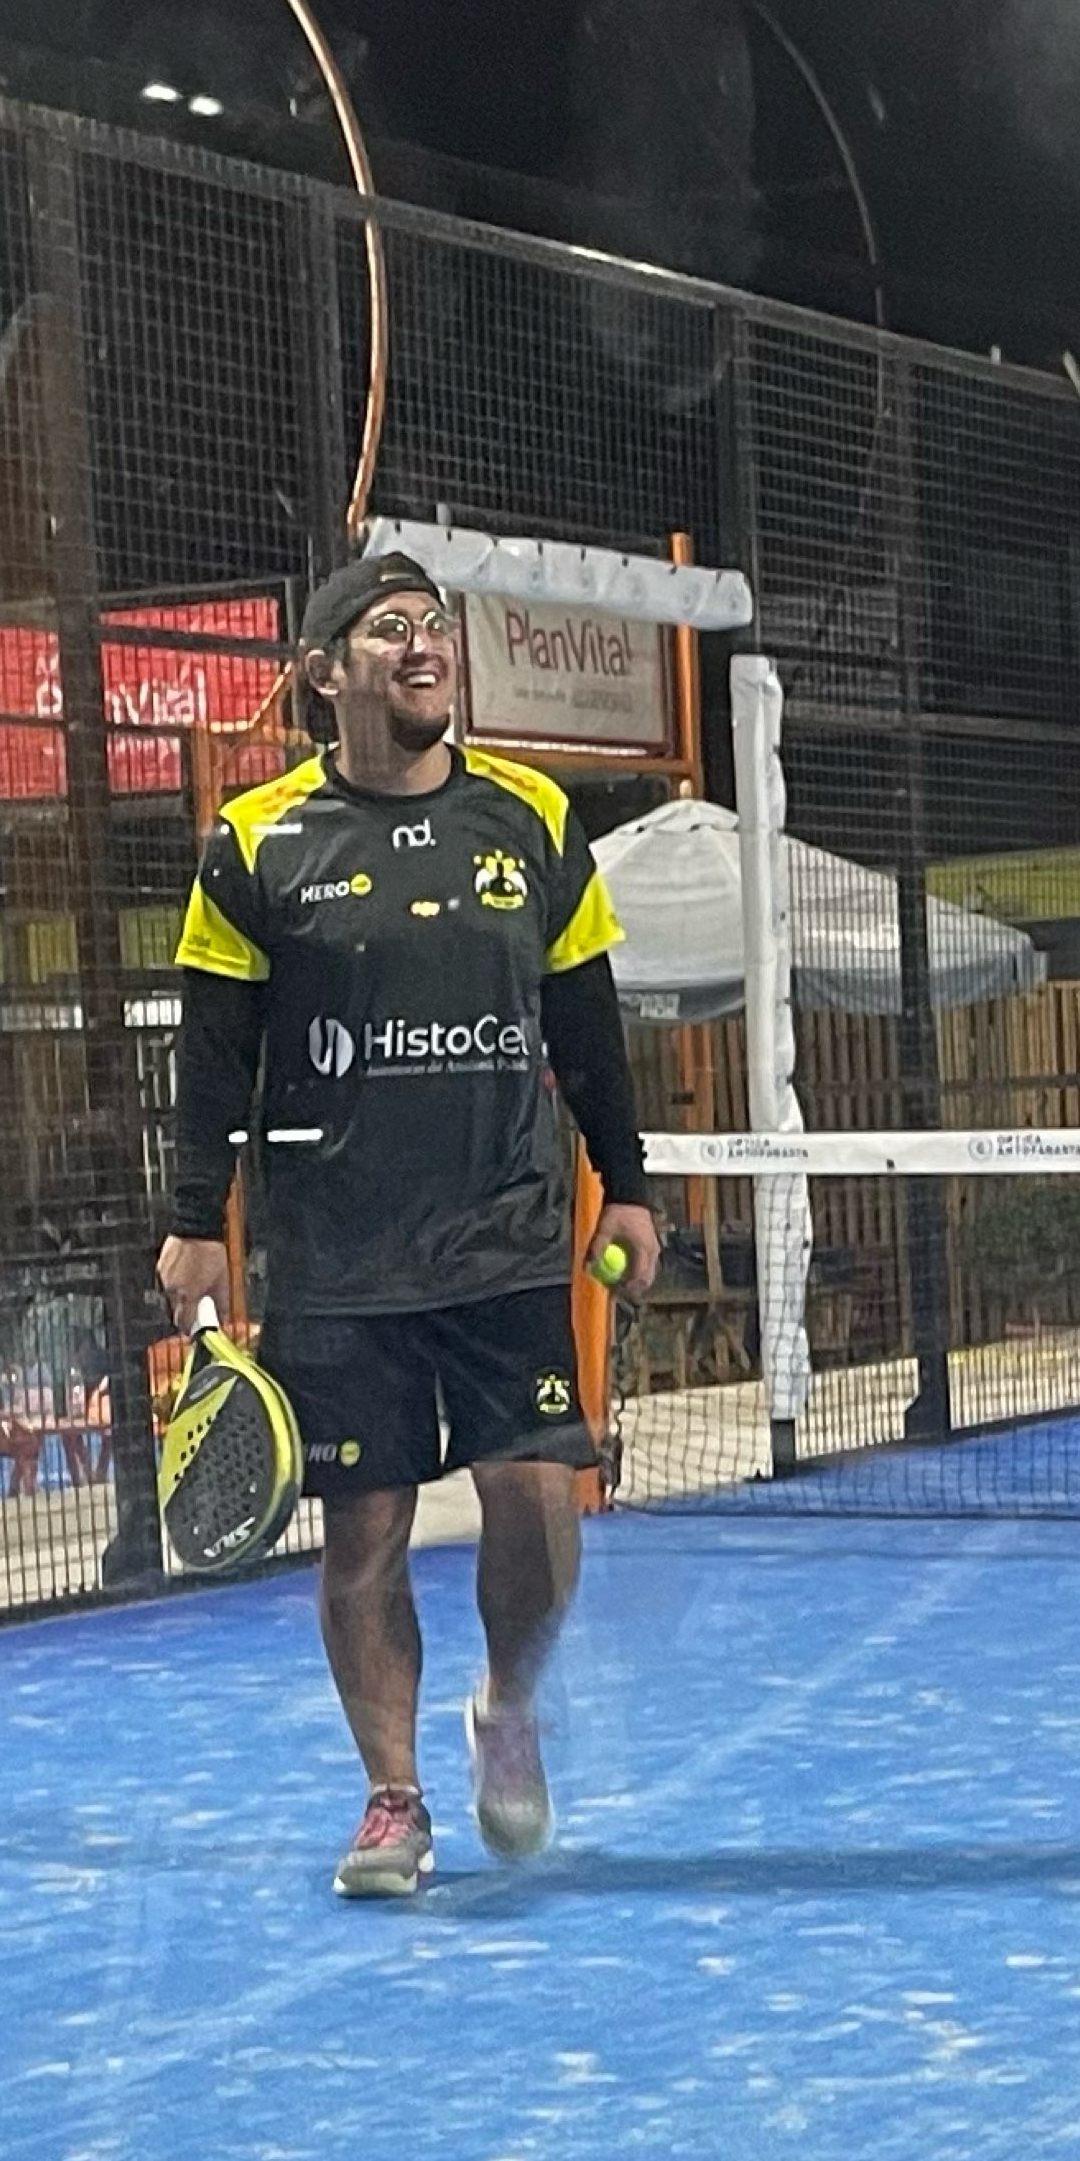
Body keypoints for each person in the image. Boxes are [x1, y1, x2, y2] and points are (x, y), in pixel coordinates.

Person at [158, 553, 660, 1899]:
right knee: (365, 1533)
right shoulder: (254, 842)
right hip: (337, 1255)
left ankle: (509, 1706)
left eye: (436, 624)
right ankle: (393, 1799)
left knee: (538, 1507)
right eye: (391, 629)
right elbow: (213, 1053)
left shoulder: (533, 818)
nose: (425, 644)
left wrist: (631, 1179)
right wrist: (194, 1215)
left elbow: (588, 1024)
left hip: (505, 1237)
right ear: (325, 673)